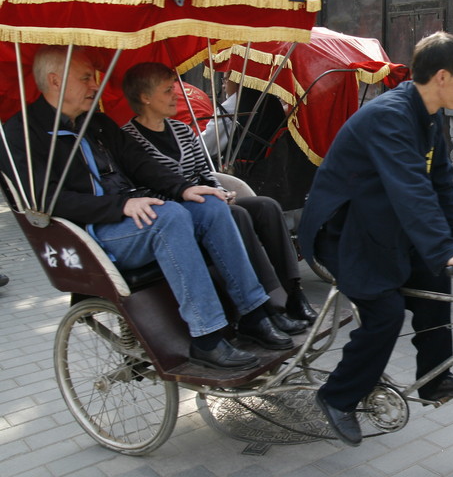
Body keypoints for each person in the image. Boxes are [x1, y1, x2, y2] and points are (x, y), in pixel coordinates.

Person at [2, 46, 294, 370]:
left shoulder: (95, 122)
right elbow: (45, 200)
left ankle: (253, 313)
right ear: (55, 81)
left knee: (209, 205)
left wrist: (183, 187)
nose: (94, 86)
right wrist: (122, 205)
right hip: (91, 231)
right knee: (169, 217)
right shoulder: (21, 134)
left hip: (132, 216)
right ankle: (207, 337)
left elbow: (141, 164)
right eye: (86, 78)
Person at [298, 32, 453, 447]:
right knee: (385, 313)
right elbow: (410, 190)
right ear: (442, 76)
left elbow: (440, 182)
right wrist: (446, 249)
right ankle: (337, 397)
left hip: (383, 224)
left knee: (436, 277)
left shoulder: (431, 114)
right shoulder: (391, 115)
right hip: (343, 231)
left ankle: (435, 380)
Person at [119, 62, 316, 332]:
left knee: (266, 206)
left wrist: (221, 192)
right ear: (145, 97)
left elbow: (204, 172)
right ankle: (267, 303)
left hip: (207, 200)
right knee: (237, 214)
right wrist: (199, 197)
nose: (176, 95)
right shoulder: (128, 140)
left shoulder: (181, 130)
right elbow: (142, 188)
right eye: (168, 90)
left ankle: (293, 293)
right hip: (177, 213)